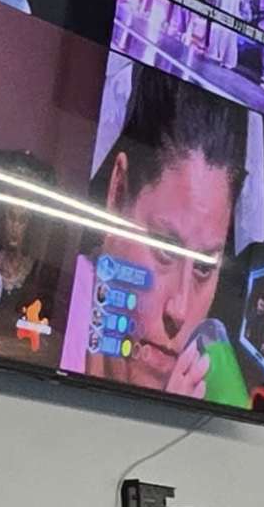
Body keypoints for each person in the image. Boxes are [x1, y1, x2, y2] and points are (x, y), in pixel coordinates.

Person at [69, 64, 250, 404]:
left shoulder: (213, 376)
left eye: (203, 267)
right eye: (164, 248)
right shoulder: (53, 320)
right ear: (118, 193)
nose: (179, 311)